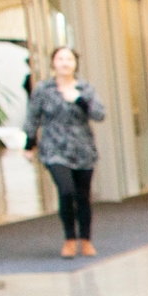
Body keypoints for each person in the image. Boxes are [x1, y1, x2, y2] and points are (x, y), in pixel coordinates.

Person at [26, 46, 104, 258]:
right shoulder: (44, 89)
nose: (64, 63)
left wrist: (78, 99)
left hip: (82, 148)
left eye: (69, 59)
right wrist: (29, 144)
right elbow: (33, 116)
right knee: (66, 190)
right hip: (54, 147)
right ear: (53, 63)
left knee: (83, 195)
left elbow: (99, 114)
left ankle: (86, 240)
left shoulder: (85, 88)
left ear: (75, 63)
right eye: (60, 59)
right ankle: (70, 238)